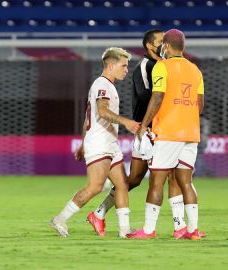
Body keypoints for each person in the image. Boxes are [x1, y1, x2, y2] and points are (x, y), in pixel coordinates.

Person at [87, 30, 193, 239]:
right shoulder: (145, 67)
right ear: (149, 46)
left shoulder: (166, 67)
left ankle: (180, 227)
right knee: (133, 180)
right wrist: (146, 126)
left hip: (164, 131)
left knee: (170, 176)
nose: (164, 44)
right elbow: (149, 99)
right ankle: (99, 213)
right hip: (147, 132)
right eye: (160, 42)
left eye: (165, 41)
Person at [51, 47, 139, 238]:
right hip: (100, 143)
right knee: (95, 187)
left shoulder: (108, 85)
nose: (126, 69)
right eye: (123, 66)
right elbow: (102, 111)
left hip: (108, 143)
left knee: (122, 184)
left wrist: (83, 143)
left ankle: (124, 231)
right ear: (110, 65)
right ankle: (60, 219)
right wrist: (127, 122)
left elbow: (87, 118)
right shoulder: (102, 84)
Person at [128, 29, 204, 240]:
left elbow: (157, 96)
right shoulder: (195, 70)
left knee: (156, 181)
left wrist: (144, 125)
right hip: (191, 133)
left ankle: (149, 230)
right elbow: (200, 105)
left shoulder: (162, 66)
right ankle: (192, 230)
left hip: (169, 132)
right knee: (185, 183)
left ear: (167, 47)